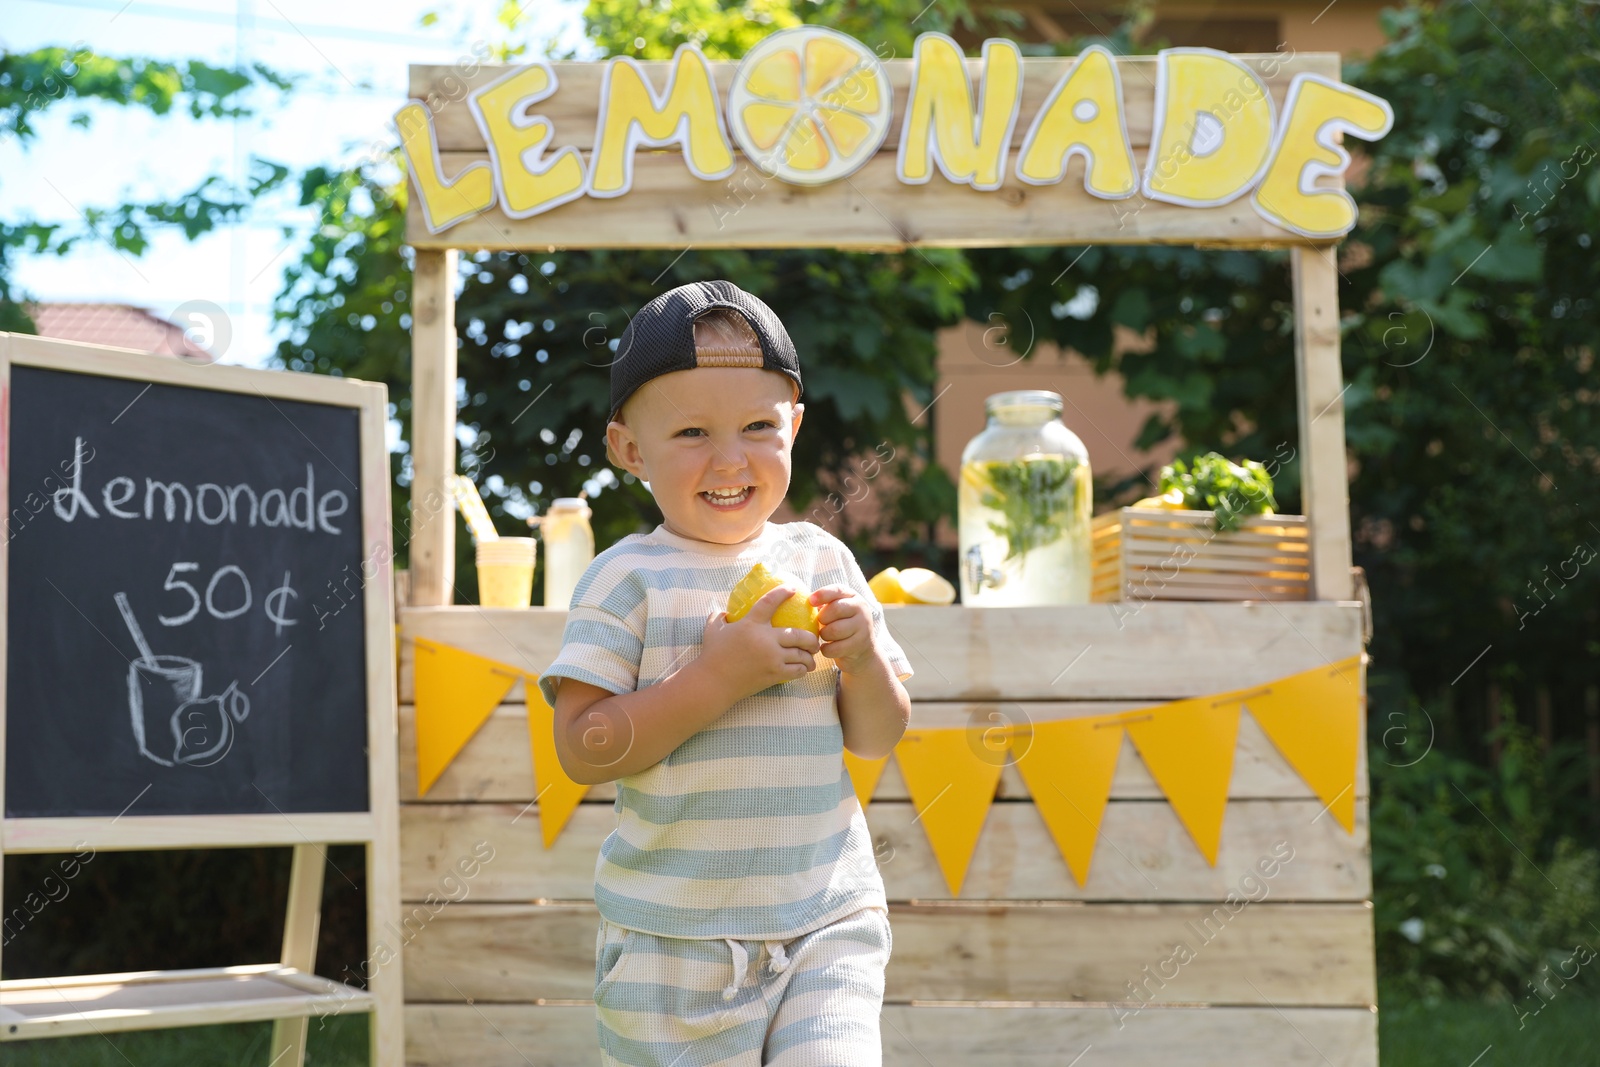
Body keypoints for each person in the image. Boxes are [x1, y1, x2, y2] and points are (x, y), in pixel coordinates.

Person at [537, 279, 914, 1066]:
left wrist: (862, 660)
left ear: (794, 427)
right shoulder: (624, 579)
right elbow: (583, 747)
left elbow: (878, 736)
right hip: (670, 943)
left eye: (756, 426)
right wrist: (717, 677)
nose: (730, 458)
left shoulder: (820, 560)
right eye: (692, 432)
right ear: (629, 449)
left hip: (824, 920)